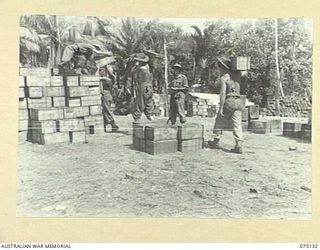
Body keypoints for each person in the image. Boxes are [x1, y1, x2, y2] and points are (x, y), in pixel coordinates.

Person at [209, 57, 244, 154]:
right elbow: (246, 71)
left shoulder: (224, 78)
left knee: (219, 121)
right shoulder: (238, 75)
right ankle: (239, 144)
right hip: (238, 102)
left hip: (229, 101)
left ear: (223, 68)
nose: (219, 69)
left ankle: (215, 141)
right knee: (237, 124)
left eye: (220, 67)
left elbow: (223, 94)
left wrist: (221, 108)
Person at [131, 53, 154, 122]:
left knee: (140, 101)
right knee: (148, 101)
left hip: (143, 86)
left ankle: (137, 116)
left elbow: (132, 72)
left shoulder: (140, 68)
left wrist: (135, 66)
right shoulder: (148, 67)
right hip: (149, 86)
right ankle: (148, 114)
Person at [99, 67, 119, 132]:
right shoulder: (110, 79)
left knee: (107, 110)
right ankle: (105, 126)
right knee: (105, 111)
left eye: (101, 71)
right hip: (109, 95)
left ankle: (114, 125)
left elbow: (101, 90)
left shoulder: (102, 80)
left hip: (105, 95)